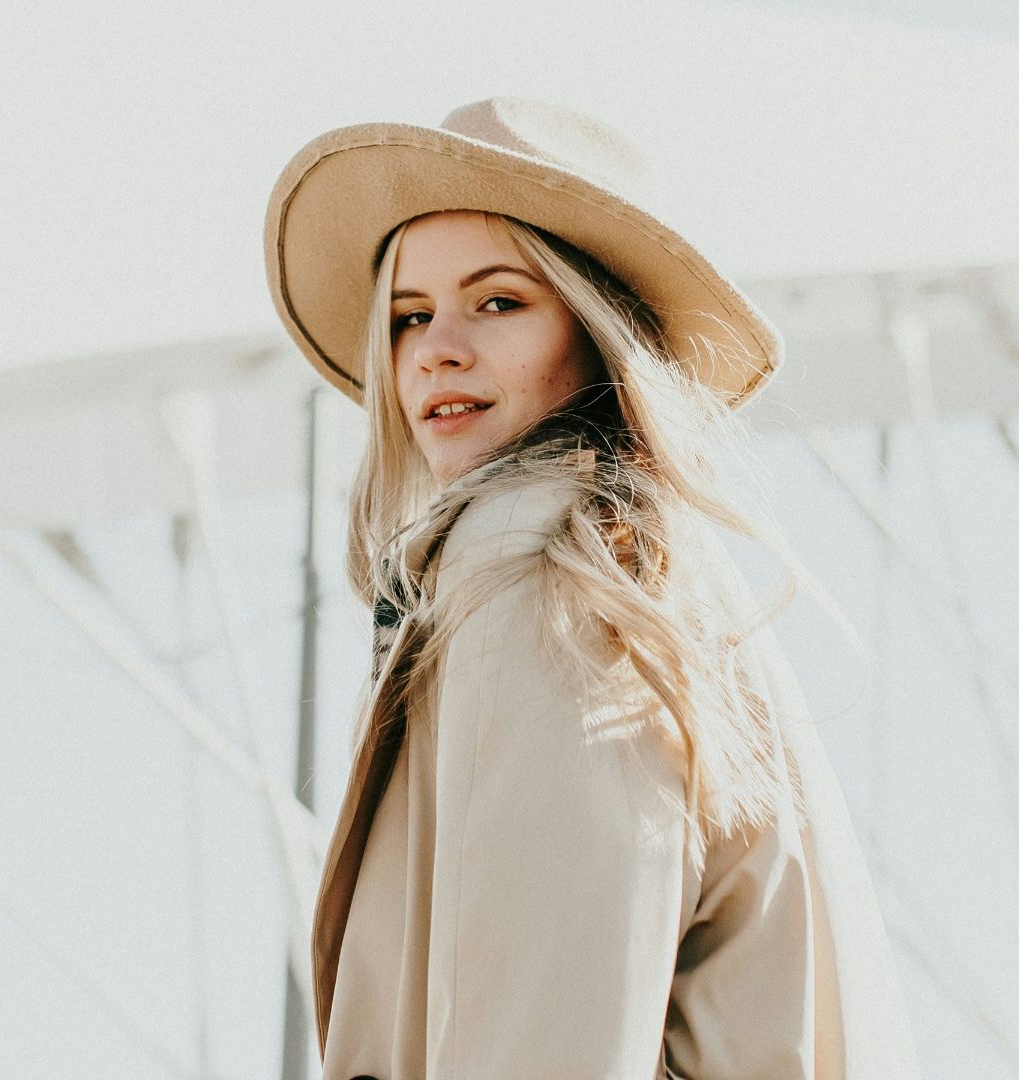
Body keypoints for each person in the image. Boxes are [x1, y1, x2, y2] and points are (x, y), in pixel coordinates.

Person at [264, 97, 921, 1080]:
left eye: (498, 301)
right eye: (408, 317)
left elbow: (547, 1016)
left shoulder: (545, 573)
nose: (437, 347)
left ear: (595, 329)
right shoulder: (654, 580)